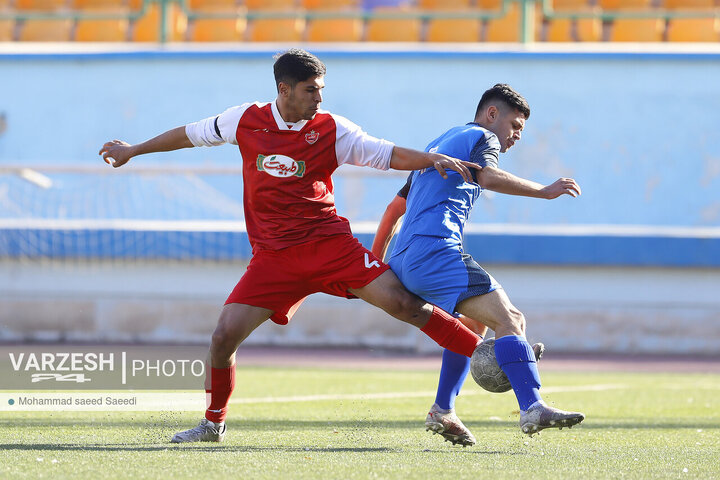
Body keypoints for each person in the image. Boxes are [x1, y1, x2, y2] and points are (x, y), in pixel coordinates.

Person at [99, 48, 487, 444]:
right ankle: (213, 423)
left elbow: (385, 153)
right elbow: (188, 134)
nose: (319, 99)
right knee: (222, 338)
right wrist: (133, 150)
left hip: (328, 245)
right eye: (311, 91)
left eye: (321, 90)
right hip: (274, 258)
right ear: (284, 90)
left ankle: (492, 356)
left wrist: (430, 158)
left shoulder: (333, 128)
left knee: (404, 304)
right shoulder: (244, 120)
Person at [371, 83, 585, 445]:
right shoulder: (482, 137)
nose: (516, 136)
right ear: (491, 114)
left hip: (405, 259)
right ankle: (532, 405)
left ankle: (443, 410)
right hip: (435, 251)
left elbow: (394, 210)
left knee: (471, 326)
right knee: (511, 320)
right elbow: (487, 176)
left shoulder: (439, 146)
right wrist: (544, 190)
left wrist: (374, 264)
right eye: (515, 125)